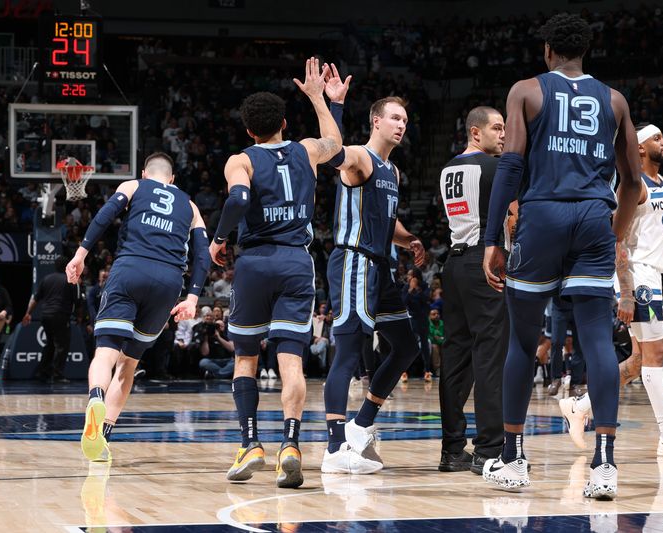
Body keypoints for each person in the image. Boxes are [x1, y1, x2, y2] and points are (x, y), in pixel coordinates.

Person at [480, 13, 644, 500]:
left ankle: (512, 459)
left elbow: (510, 165)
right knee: (597, 341)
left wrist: (493, 238)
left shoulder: (526, 91)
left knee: (522, 343)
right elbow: (633, 182)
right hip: (595, 217)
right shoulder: (614, 100)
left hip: (544, 216)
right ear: (585, 52)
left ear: (549, 51)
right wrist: (614, 235)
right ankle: (606, 465)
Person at [208, 57, 342, 489]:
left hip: (255, 263)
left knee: (245, 357)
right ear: (285, 122)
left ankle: (251, 444)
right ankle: (291, 444)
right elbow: (335, 144)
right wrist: (320, 98)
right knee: (291, 361)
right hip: (296, 263)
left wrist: (219, 238)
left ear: (249, 130)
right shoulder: (306, 150)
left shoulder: (239, 160)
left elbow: (236, 201)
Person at [560, 125, 663, 457]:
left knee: (637, 362)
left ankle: (580, 405)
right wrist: (626, 292)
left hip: (653, 276)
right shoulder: (632, 189)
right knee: (656, 356)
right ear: (638, 148)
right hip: (639, 281)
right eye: (657, 138)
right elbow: (616, 241)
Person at [66, 151, 210, 463]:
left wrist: (80, 254)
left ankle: (95, 399)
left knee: (105, 352)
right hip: (169, 282)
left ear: (145, 174)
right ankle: (103, 436)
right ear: (172, 179)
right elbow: (202, 254)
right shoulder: (191, 205)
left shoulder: (133, 186)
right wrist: (193, 298)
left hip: (130, 270)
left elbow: (104, 216)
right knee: (128, 364)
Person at [321, 88, 425, 474]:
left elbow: (387, 219)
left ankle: (361, 424)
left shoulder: (392, 171)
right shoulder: (360, 158)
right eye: (395, 118)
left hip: (381, 267)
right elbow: (332, 152)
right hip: (354, 261)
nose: (401, 125)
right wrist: (332, 103)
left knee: (406, 347)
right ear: (376, 121)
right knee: (349, 350)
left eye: (405, 121)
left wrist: (409, 238)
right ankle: (334, 448)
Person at [436, 106, 510, 474]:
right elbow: (514, 215)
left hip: (453, 263)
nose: (503, 135)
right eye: (497, 128)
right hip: (485, 260)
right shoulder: (495, 167)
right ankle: (489, 449)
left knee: (455, 358)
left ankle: (452, 450)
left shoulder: (448, 168)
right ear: (475, 133)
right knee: (490, 356)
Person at [22, 256, 78, 383]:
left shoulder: (46, 279)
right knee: (62, 345)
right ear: (66, 267)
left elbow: (35, 299)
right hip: (60, 315)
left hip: (45, 316)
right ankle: (57, 374)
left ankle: (42, 371)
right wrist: (79, 317)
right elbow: (77, 301)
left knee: (50, 344)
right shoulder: (70, 280)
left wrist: (28, 313)